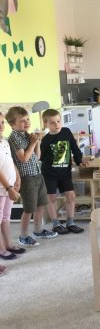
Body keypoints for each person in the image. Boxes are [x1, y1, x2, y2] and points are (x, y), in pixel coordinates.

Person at [5, 107, 57, 247]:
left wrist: (37, 142)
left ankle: (38, 231)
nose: (27, 123)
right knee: (29, 209)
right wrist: (33, 143)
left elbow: (37, 156)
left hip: (37, 174)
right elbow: (23, 159)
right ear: (12, 124)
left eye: (27, 119)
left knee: (41, 205)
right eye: (22, 121)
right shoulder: (14, 137)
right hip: (26, 178)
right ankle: (23, 236)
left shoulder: (27, 135)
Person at [40, 109, 89, 235]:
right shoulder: (45, 140)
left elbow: (74, 148)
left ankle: (70, 223)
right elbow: (41, 157)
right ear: (45, 124)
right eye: (52, 122)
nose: (56, 125)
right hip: (50, 174)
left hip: (65, 173)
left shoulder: (66, 132)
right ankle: (56, 224)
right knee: (51, 198)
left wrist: (79, 161)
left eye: (58, 121)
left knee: (71, 196)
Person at [0, 112, 26, 268]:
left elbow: (10, 161)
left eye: (2, 122)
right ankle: (1, 249)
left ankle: (8, 244)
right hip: (2, 188)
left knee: (6, 217)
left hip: (9, 186)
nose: (1, 126)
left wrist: (17, 178)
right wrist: (9, 188)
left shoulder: (4, 141)